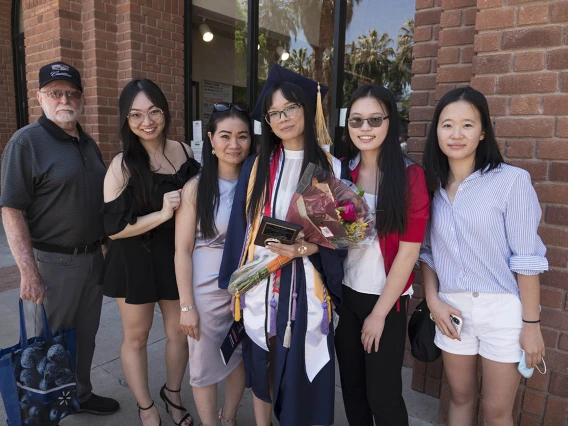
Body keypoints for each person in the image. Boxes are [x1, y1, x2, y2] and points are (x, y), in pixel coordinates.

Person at [219, 65, 346, 426]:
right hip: (259, 281)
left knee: (298, 367)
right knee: (263, 360)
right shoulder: (258, 167)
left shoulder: (330, 168)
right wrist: (236, 284)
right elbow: (240, 231)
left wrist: (308, 249)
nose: (283, 117)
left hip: (305, 285)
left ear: (306, 109)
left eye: (290, 107)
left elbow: (337, 240)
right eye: (274, 112)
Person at [419, 87, 547, 426]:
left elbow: (526, 259)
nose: (456, 134)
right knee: (459, 397)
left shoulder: (512, 182)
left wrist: (531, 326)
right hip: (451, 309)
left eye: (467, 125)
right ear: (437, 132)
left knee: (495, 411)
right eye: (447, 125)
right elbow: (428, 253)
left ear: (483, 131)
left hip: (501, 311)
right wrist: (433, 300)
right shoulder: (430, 187)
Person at [0, 61, 120, 417]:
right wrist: (27, 271)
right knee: (50, 344)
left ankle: (80, 394)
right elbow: (11, 209)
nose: (64, 99)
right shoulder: (26, 142)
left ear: (80, 98)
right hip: (52, 264)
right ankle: (43, 408)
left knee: (85, 336)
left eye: (71, 93)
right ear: (40, 97)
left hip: (92, 260)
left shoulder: (87, 142)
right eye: (55, 92)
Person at [102, 79, 199, 426]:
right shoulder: (122, 165)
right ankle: (145, 406)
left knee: (179, 332)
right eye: (136, 115)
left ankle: (172, 393)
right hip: (135, 259)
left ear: (165, 112)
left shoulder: (185, 152)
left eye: (154, 111)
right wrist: (160, 214)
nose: (147, 121)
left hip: (176, 257)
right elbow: (113, 229)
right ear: (126, 120)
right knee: (137, 336)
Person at [334, 85, 430, 426]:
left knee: (383, 396)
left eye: (374, 119)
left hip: (386, 302)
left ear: (390, 123)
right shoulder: (341, 172)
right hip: (346, 297)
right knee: (353, 391)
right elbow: (329, 236)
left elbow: (408, 254)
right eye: (356, 120)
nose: (365, 128)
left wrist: (378, 315)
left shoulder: (409, 176)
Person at [174, 102, 252, 426]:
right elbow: (181, 250)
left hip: (245, 291)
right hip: (205, 296)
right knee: (204, 366)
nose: (234, 144)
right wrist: (186, 306)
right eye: (225, 136)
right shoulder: (197, 187)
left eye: (242, 136)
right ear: (210, 139)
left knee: (237, 361)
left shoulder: (257, 185)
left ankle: (229, 417)